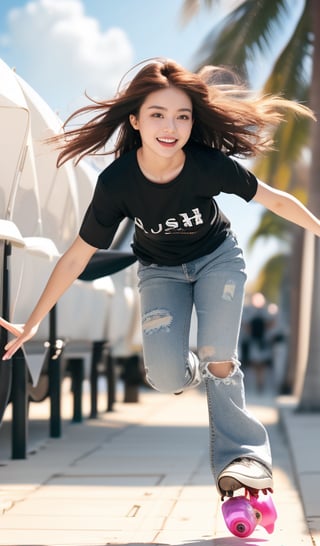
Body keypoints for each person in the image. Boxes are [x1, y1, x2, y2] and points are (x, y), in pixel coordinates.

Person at [1, 58, 319, 500]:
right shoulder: (117, 184)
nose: (171, 127)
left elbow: (275, 200)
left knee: (220, 357)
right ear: (135, 120)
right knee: (167, 376)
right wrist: (33, 321)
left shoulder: (208, 165)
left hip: (218, 260)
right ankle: (193, 369)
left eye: (182, 116)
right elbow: (76, 256)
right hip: (160, 273)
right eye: (158, 114)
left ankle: (245, 458)